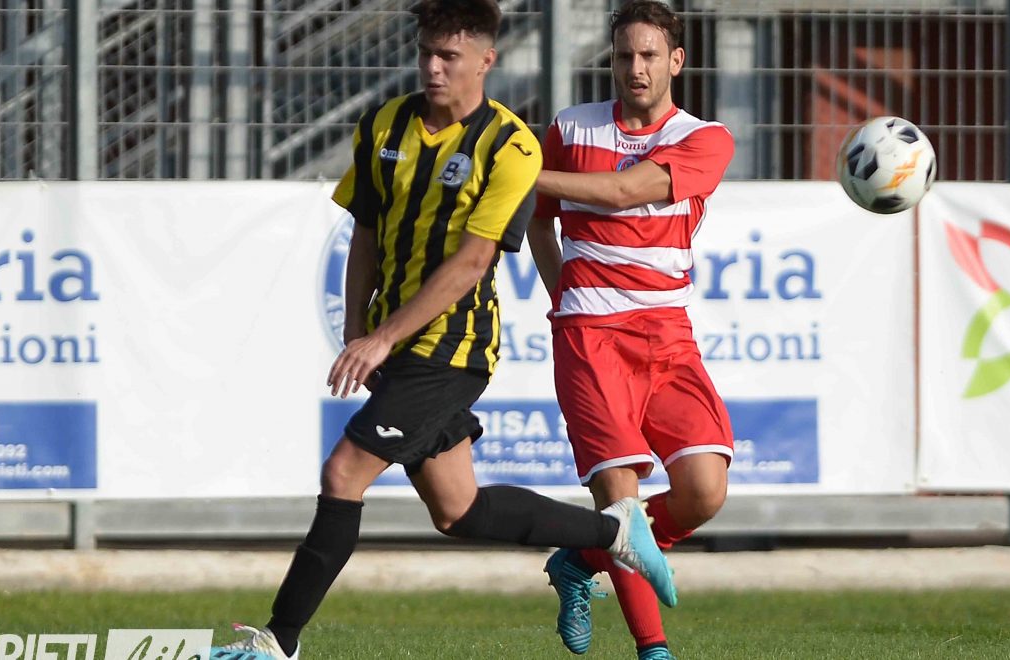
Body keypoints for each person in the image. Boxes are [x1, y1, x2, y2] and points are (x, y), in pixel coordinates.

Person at [208, 2, 675, 658]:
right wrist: (359, 326)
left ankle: (276, 643)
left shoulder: (511, 146)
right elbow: (365, 232)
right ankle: (616, 531)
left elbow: (473, 262)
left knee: (344, 473)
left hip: (453, 349)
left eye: (449, 56)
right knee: (458, 510)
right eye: (427, 52)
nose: (433, 67)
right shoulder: (384, 125)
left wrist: (382, 337)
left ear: (485, 60)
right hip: (400, 345)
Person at [527, 2, 736, 659]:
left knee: (703, 491)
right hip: (590, 334)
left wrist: (511, 169)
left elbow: (623, 192)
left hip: (667, 333)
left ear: (677, 60)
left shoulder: (706, 139)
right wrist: (565, 294)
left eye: (649, 55)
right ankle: (654, 649)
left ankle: (580, 559)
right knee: (622, 501)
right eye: (623, 55)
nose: (635, 68)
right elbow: (538, 216)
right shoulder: (571, 127)